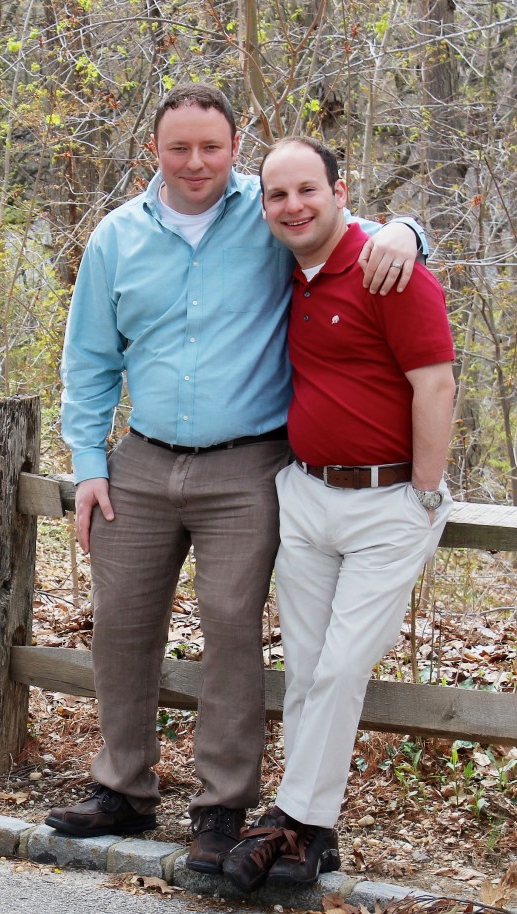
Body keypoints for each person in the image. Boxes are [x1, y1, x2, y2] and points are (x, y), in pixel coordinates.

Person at [45, 84, 427, 875]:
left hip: (249, 460)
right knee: (119, 623)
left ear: (234, 147)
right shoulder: (116, 238)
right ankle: (123, 786)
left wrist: (407, 228)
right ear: (154, 149)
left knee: (229, 629)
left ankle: (221, 807)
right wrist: (88, 464)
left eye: (211, 148)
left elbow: (343, 231)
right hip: (142, 460)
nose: (195, 163)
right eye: (179, 147)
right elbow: (88, 361)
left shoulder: (267, 213)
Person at [221, 136, 454, 892]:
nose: (292, 206)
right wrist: (407, 221)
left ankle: (291, 822)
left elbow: (437, 386)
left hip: (390, 503)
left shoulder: (394, 273)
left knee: (344, 665)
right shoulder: (290, 274)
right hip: (308, 497)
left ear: (340, 190)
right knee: (311, 668)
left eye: (306, 191)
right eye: (277, 195)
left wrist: (423, 494)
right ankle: (308, 836)